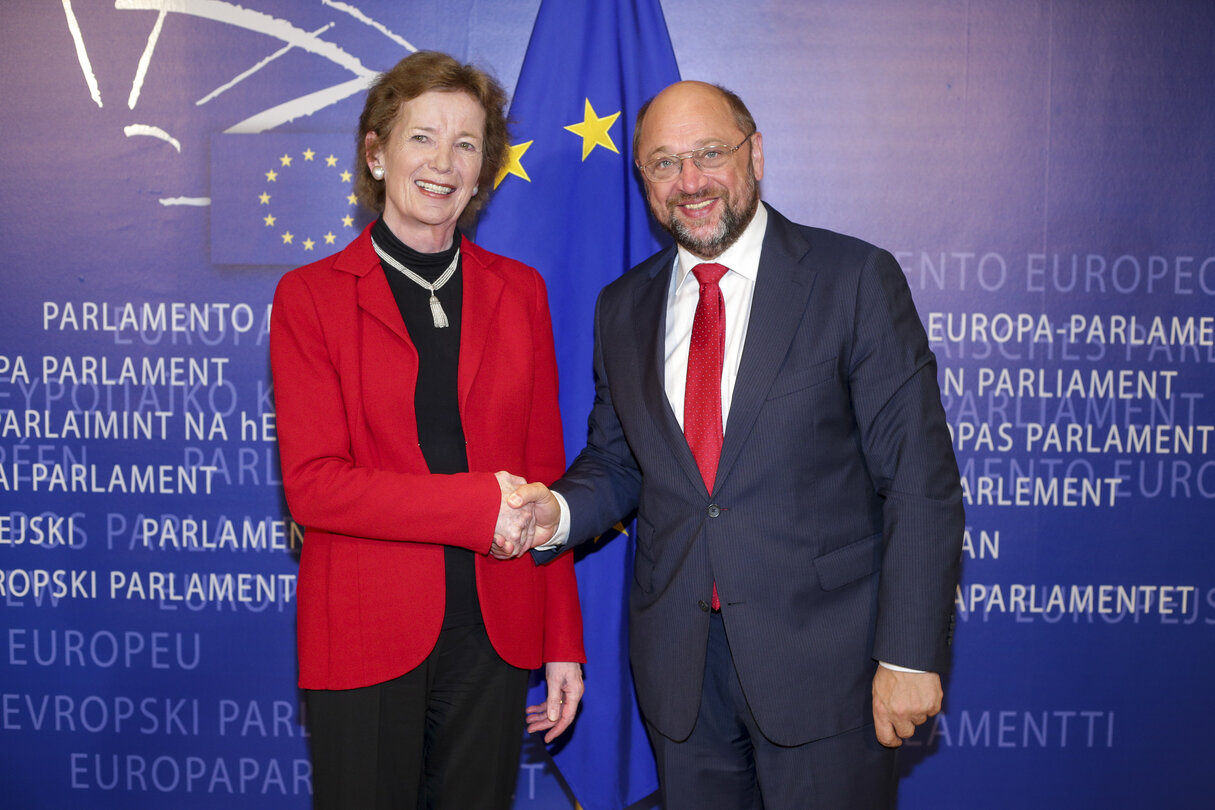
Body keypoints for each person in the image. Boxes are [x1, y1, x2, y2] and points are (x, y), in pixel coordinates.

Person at [503, 80, 964, 809]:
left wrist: (906, 655)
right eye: (662, 163)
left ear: (754, 155)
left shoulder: (851, 279)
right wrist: (553, 513)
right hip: (681, 677)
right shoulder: (622, 307)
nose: (689, 182)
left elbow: (919, 480)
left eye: (709, 153)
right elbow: (620, 461)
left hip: (828, 670)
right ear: (643, 181)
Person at [270, 51, 584, 810]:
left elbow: (546, 477)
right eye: (422, 138)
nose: (443, 163)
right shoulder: (309, 297)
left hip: (497, 631)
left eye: (467, 144)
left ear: (484, 172)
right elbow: (315, 488)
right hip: (365, 629)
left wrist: (562, 641)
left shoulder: (520, 292)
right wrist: (476, 507)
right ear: (376, 153)